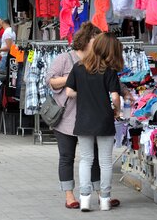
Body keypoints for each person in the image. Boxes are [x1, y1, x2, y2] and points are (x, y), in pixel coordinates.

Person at [46, 22, 105, 209]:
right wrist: (74, 77)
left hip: (90, 118)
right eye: (96, 41)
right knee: (67, 156)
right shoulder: (65, 59)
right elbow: (51, 81)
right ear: (87, 40)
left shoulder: (98, 61)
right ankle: (69, 195)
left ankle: (101, 192)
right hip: (66, 118)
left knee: (94, 156)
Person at [66, 32, 124, 212]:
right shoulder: (109, 70)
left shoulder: (78, 67)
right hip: (104, 119)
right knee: (105, 161)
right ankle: (105, 200)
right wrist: (117, 109)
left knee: (86, 160)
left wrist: (83, 96)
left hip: (83, 119)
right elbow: (115, 96)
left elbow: (69, 92)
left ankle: (84, 199)